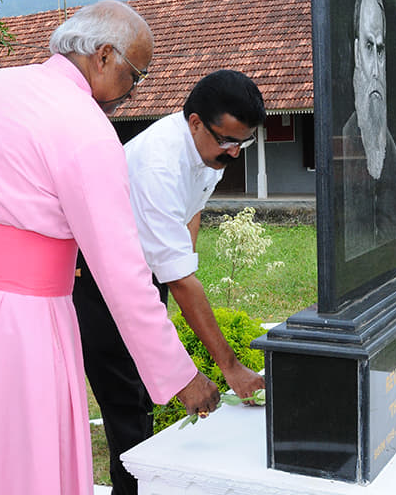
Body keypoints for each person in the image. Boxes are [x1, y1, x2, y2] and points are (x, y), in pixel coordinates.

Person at [0, 0, 220, 495]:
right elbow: (121, 272)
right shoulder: (84, 126)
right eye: (135, 75)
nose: (132, 92)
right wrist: (180, 377)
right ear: (103, 56)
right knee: (20, 464)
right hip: (20, 320)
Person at [73, 69, 267, 494]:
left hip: (141, 271)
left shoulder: (206, 150)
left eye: (242, 142)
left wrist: (179, 265)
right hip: (97, 282)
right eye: (226, 141)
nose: (234, 154)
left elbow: (189, 210)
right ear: (195, 121)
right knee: (128, 404)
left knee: (143, 393)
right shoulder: (159, 164)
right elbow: (180, 278)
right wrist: (229, 367)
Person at [343, 0, 396, 260]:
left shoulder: (392, 150)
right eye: (368, 47)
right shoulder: (345, 140)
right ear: (356, 53)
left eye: (380, 50)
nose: (376, 69)